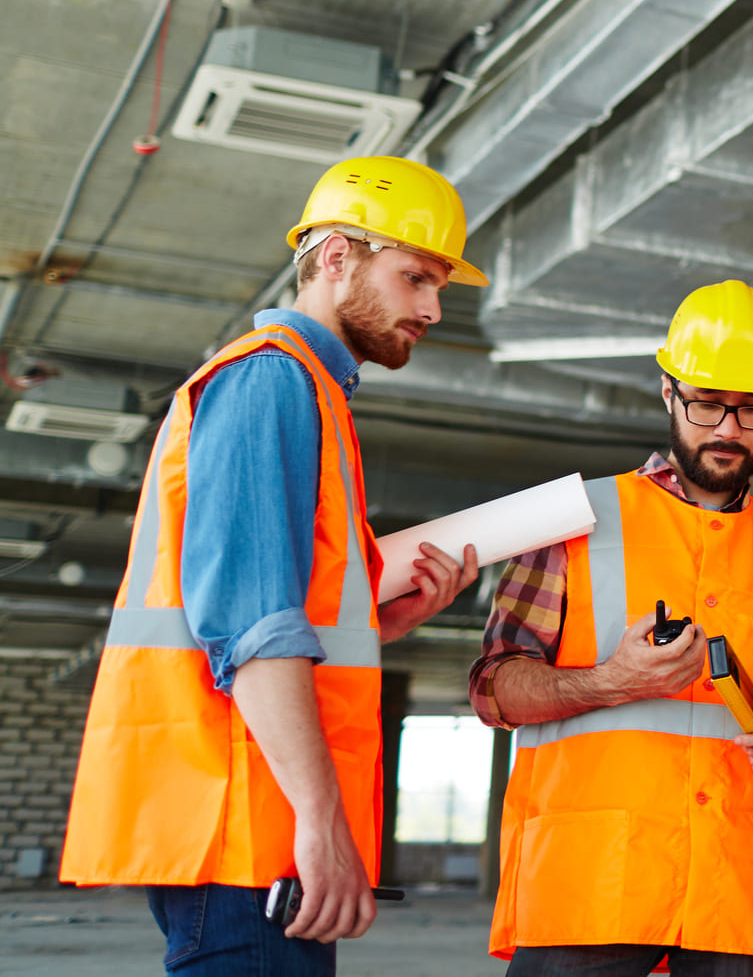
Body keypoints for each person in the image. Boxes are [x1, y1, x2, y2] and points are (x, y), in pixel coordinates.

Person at [62, 156, 485, 974]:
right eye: (415, 278)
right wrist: (321, 822)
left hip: (254, 821)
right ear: (335, 257)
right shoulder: (270, 380)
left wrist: (377, 623)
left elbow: (269, 610)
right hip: (247, 829)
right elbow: (254, 629)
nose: (433, 308)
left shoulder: (309, 391)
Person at [473, 279, 753, 976]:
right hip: (593, 875)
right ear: (668, 392)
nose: (728, 429)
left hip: (739, 880)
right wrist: (611, 680)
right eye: (706, 403)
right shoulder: (575, 520)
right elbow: (494, 689)